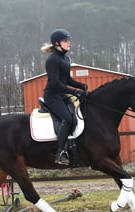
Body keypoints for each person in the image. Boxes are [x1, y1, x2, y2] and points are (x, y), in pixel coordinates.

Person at [41, 28, 87, 165]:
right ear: (56, 43)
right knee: (67, 118)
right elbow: (55, 84)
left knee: (78, 114)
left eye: (69, 41)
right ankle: (59, 152)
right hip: (52, 95)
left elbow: (68, 80)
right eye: (65, 41)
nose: (68, 43)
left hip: (62, 95)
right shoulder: (52, 60)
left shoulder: (66, 58)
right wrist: (74, 92)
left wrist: (81, 86)